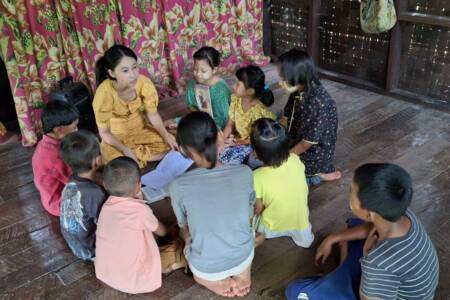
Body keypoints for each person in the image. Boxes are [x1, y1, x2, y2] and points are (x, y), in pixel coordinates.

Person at [286, 163, 439, 300]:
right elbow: (371, 227)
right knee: (352, 228)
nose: (349, 195)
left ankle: (340, 271)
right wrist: (333, 238)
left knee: (297, 292)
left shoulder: (377, 263)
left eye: (351, 193)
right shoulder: (400, 213)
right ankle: (341, 270)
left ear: (369, 213)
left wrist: (366, 255)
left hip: (376, 287)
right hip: (392, 276)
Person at [169, 112, 255, 297]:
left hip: (206, 267)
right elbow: (249, 211)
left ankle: (213, 281)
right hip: (243, 255)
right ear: (220, 136)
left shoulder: (177, 186)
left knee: (183, 232)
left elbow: (184, 225)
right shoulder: (245, 172)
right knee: (243, 225)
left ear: (183, 150)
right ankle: (243, 273)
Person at [93, 44, 177, 168]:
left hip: (140, 127)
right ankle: (142, 155)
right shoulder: (103, 94)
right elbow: (104, 132)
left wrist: (165, 134)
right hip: (116, 135)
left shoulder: (143, 83)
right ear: (112, 73)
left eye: (135, 67)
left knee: (170, 142)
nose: (133, 75)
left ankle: (138, 156)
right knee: (113, 158)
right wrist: (125, 150)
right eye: (125, 70)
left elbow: (153, 115)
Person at [95, 156, 167, 294]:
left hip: (105, 273)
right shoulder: (141, 211)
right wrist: (170, 232)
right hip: (133, 282)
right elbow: (161, 231)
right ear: (139, 185)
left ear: (104, 184)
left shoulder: (106, 206)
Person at [278, 49, 341, 185]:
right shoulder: (300, 88)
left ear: (296, 76)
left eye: (283, 78)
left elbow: (307, 144)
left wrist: (284, 158)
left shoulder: (318, 102)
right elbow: (286, 115)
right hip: (295, 139)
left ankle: (317, 175)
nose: (280, 82)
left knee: (283, 173)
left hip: (313, 154)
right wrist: (278, 139)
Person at [250, 118, 313, 248]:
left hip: (272, 226)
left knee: (249, 215)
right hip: (299, 222)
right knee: (306, 241)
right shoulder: (295, 159)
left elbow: (259, 208)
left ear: (256, 153)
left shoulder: (256, 176)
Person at [59, 130, 107, 261]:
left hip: (75, 243)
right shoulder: (94, 193)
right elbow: (106, 223)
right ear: (97, 160)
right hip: (90, 249)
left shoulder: (72, 181)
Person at [221, 65, 276, 165]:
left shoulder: (259, 112)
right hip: (238, 139)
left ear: (250, 91)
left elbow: (258, 138)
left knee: (232, 162)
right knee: (217, 152)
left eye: (238, 84)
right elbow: (230, 124)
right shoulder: (236, 99)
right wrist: (222, 140)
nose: (233, 86)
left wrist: (236, 142)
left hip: (254, 143)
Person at [32, 100, 79, 216]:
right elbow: (76, 181)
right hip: (59, 204)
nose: (76, 130)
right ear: (58, 130)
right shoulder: (56, 157)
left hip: (48, 197)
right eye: (73, 128)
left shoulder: (44, 144)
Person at [185, 46, 231, 130]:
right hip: (200, 118)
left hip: (218, 123)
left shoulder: (220, 90)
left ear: (214, 70)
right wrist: (200, 116)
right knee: (172, 123)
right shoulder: (192, 83)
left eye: (203, 71)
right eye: (195, 69)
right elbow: (190, 105)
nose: (198, 74)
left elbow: (224, 118)